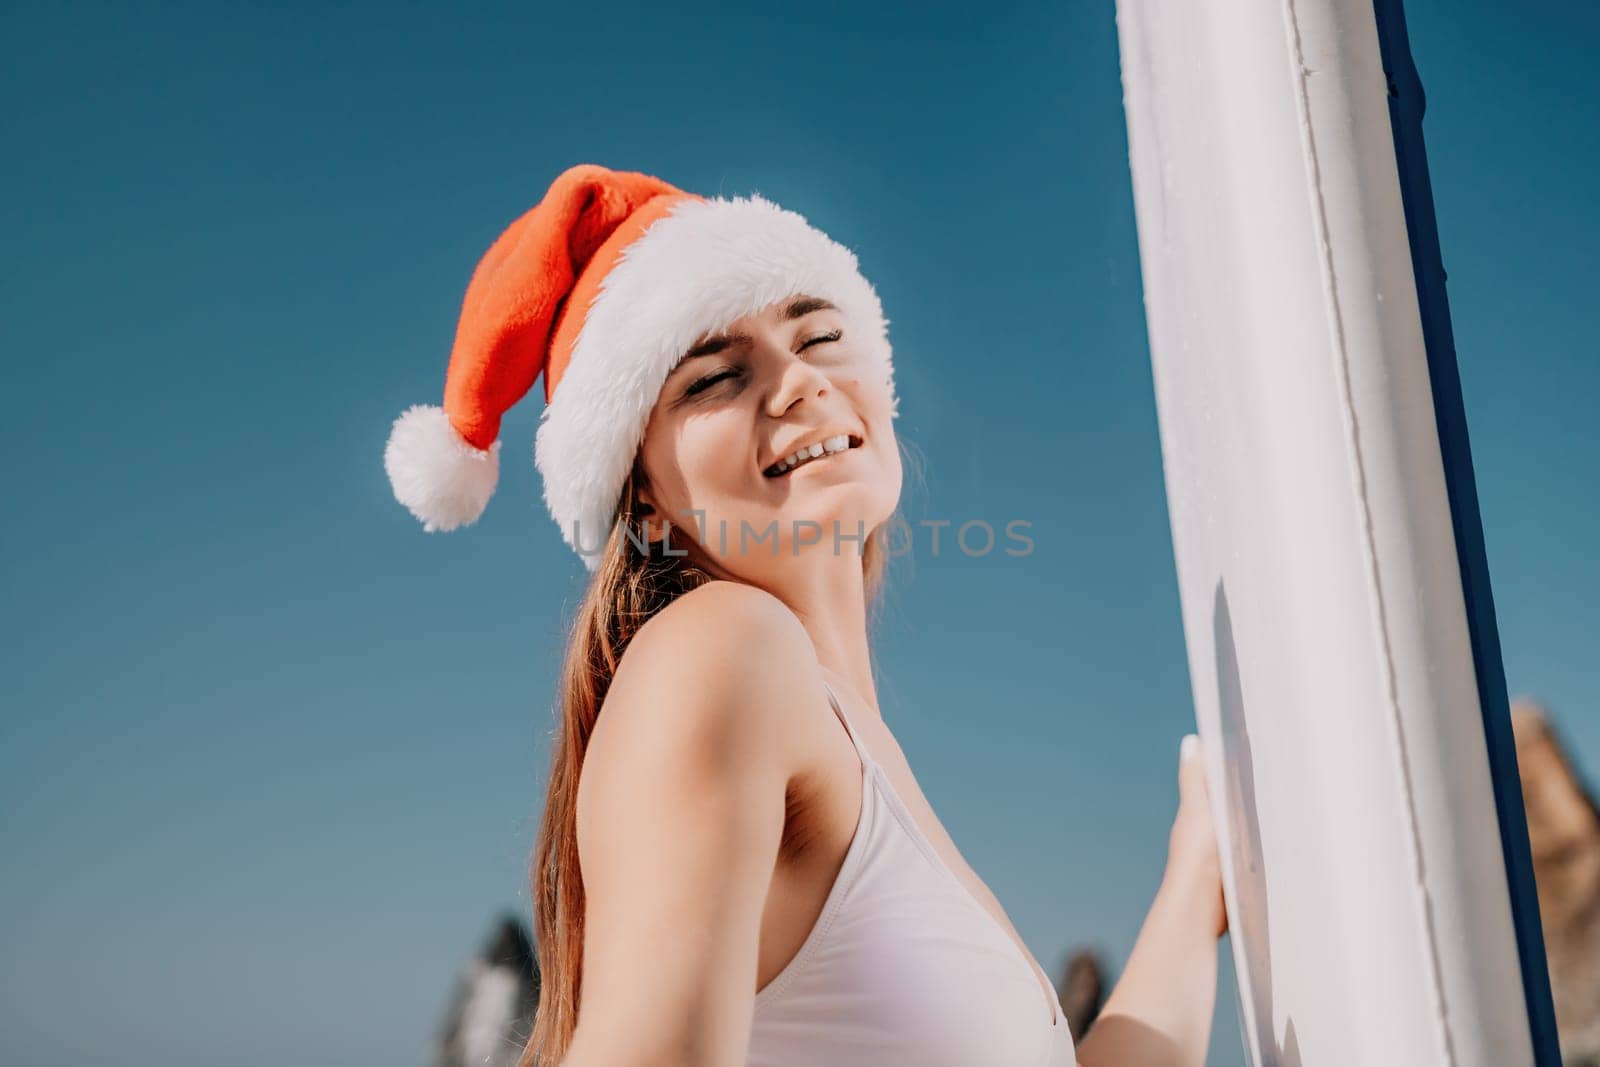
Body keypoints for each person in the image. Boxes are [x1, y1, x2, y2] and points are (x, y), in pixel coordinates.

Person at [385, 163, 1227, 1067]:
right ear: (643, 506)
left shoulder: (848, 740)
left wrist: (1195, 875)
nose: (796, 382)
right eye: (712, 378)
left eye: (820, 336)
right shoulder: (723, 651)